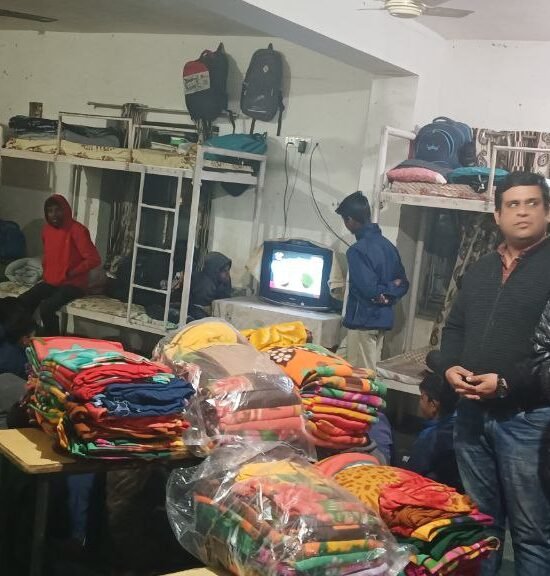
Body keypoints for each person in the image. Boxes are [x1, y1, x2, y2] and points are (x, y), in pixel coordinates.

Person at [439, 171, 550, 575]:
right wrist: (449, 367)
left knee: (532, 532)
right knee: (481, 526)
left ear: (547, 212)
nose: (522, 212)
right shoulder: (481, 269)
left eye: (532, 203)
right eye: (512, 204)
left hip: (528, 419)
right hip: (471, 412)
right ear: (498, 216)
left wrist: (505, 384)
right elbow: (455, 328)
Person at [335, 191, 409, 370]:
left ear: (350, 220)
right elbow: (403, 283)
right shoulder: (388, 246)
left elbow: (369, 290)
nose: (346, 225)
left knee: (362, 376)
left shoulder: (357, 251)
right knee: (336, 365)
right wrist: (390, 291)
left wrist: (380, 293)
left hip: (363, 322)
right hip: (380, 321)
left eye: (345, 220)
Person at [19, 195, 101, 336]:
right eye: (50, 211)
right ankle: (25, 336)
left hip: (74, 284)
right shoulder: (46, 230)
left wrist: (72, 272)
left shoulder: (78, 230)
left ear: (65, 210)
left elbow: (94, 259)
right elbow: (48, 256)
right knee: (24, 300)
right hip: (52, 282)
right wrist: (46, 273)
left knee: (47, 307)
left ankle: (53, 342)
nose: (54, 214)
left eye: (57, 210)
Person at [405, 372, 461, 490]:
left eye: (422, 397)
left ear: (433, 404)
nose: (420, 402)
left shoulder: (430, 437)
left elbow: (412, 474)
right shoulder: (465, 426)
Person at [187, 252, 232, 321]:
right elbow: (200, 312)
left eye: (228, 270)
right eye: (224, 271)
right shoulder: (204, 285)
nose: (227, 274)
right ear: (215, 271)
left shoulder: (222, 282)